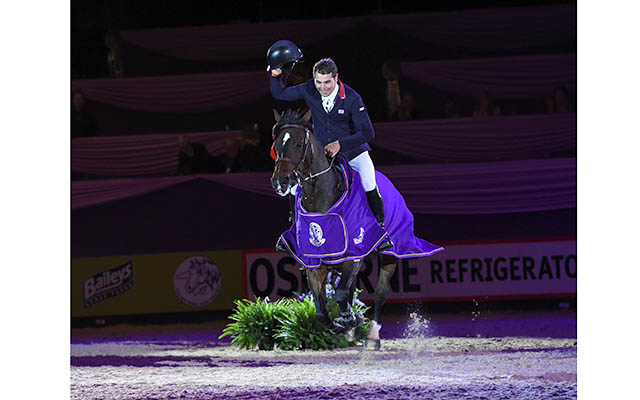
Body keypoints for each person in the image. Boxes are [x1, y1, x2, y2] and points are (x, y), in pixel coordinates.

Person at [267, 43, 393, 253]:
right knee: (294, 185)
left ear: (336, 78)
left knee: (369, 179)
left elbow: (368, 132)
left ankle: (379, 233)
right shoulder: (309, 89)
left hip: (353, 151)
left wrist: (341, 144)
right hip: (322, 152)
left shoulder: (352, 98)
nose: (322, 88)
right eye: (318, 82)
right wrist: (275, 72)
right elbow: (280, 93)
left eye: (327, 83)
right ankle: (293, 232)